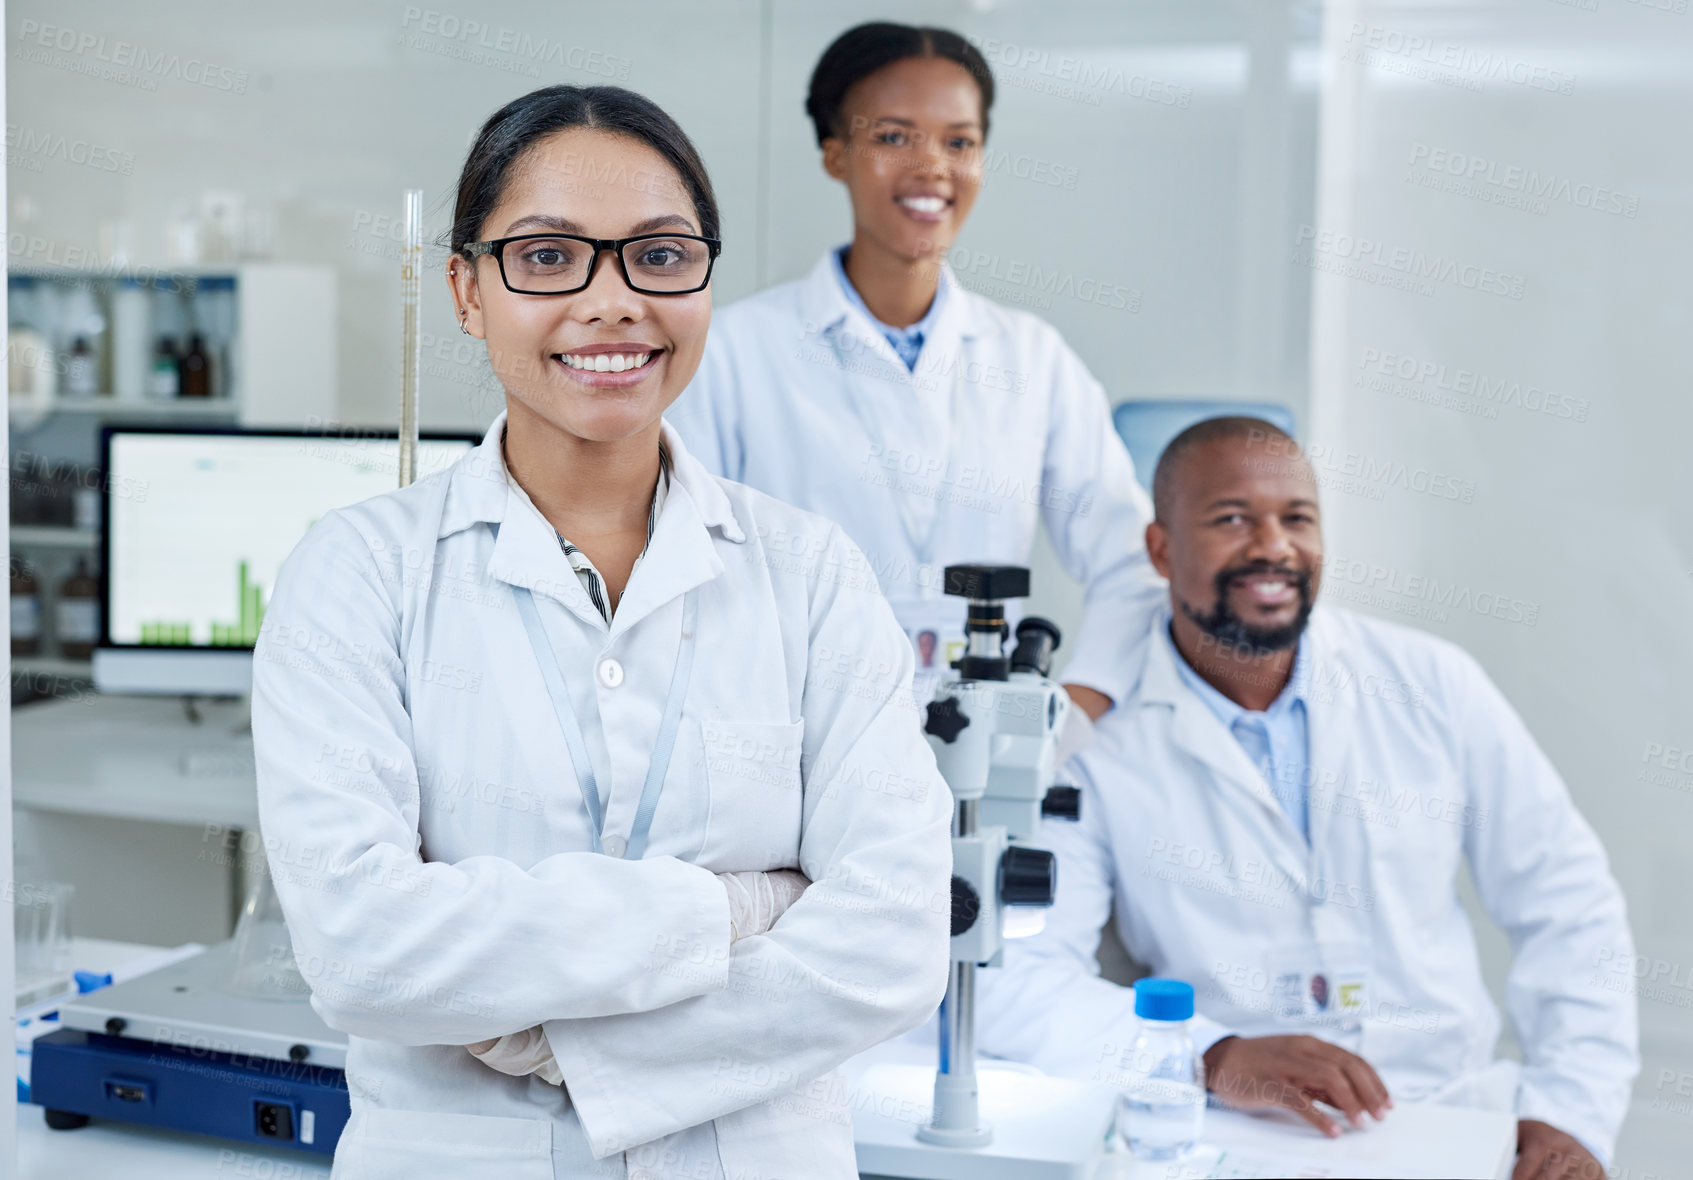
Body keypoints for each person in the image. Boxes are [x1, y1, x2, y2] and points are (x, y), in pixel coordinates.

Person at [251, 84, 952, 1180]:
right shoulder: (356, 572)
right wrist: (741, 905)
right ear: (467, 290)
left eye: (660, 257)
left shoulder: (811, 575)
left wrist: (556, 1040)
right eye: (545, 258)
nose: (612, 302)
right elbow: (361, 950)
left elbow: (896, 944)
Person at [976, 417, 1638, 1180]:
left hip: (1458, 1120)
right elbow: (1017, 977)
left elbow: (1570, 904)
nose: (1272, 547)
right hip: (1242, 1136)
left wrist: (1567, 1114)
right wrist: (1210, 1056)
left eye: (1297, 518)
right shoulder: (1089, 746)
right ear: (1159, 549)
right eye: (1231, 519)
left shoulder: (1431, 684)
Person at [667, 21, 1162, 719]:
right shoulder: (733, 351)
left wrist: (1078, 709)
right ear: (835, 153)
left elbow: (1131, 560)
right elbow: (677, 567)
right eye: (893, 137)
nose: (932, 167)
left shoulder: (1031, 358)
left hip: (988, 754)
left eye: (959, 142)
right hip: (792, 742)